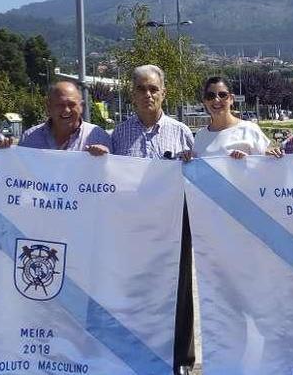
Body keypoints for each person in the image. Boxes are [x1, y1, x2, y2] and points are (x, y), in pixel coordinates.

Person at [110, 65, 195, 375]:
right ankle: (137, 351)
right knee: (135, 291)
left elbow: (195, 180)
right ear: (132, 95)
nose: (148, 94)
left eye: (153, 89)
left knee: (180, 292)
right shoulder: (118, 135)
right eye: (141, 89)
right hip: (132, 229)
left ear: (163, 93)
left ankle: (182, 360)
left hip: (174, 227)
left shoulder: (182, 132)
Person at [182, 76, 269, 160]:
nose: (216, 100)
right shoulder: (200, 136)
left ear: (231, 99)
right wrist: (187, 158)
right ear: (205, 101)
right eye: (210, 96)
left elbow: (265, 166)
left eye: (222, 95)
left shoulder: (249, 129)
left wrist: (247, 161)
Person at [19, 80, 111, 155]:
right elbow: (17, 171)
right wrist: (5, 153)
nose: (66, 110)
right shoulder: (29, 138)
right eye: (60, 105)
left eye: (71, 104)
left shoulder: (99, 137)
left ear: (81, 106)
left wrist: (107, 159)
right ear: (49, 107)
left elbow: (112, 174)